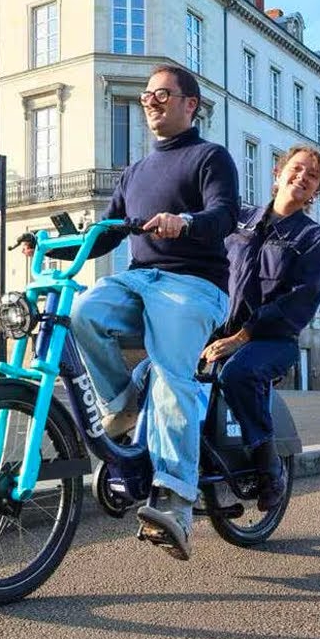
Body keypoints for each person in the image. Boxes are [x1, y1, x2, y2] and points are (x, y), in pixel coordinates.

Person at [63, 65, 240, 561]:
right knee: (84, 312)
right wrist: (55, 244)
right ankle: (122, 405)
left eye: (162, 94)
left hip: (194, 285)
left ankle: (177, 502)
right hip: (140, 280)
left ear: (190, 104)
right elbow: (106, 233)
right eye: (147, 96)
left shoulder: (210, 157)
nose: (150, 103)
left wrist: (185, 222)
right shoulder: (134, 172)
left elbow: (225, 215)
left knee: (168, 374)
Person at [200, 144, 320, 512]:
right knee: (159, 367)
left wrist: (242, 337)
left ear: (316, 191)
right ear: (278, 172)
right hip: (219, 330)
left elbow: (298, 301)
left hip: (273, 339)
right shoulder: (240, 219)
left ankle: (269, 467)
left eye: (312, 176)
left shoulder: (314, 238)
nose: (303, 177)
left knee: (237, 374)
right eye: (297, 168)